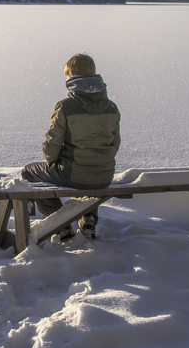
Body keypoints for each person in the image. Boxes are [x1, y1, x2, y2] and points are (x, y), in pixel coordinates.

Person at [22, 53, 120, 241]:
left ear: (72, 76)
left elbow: (52, 147)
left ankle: (61, 227)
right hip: (105, 175)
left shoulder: (66, 107)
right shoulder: (111, 108)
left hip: (73, 173)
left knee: (29, 172)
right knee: (92, 168)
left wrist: (54, 161)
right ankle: (89, 219)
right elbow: (115, 143)